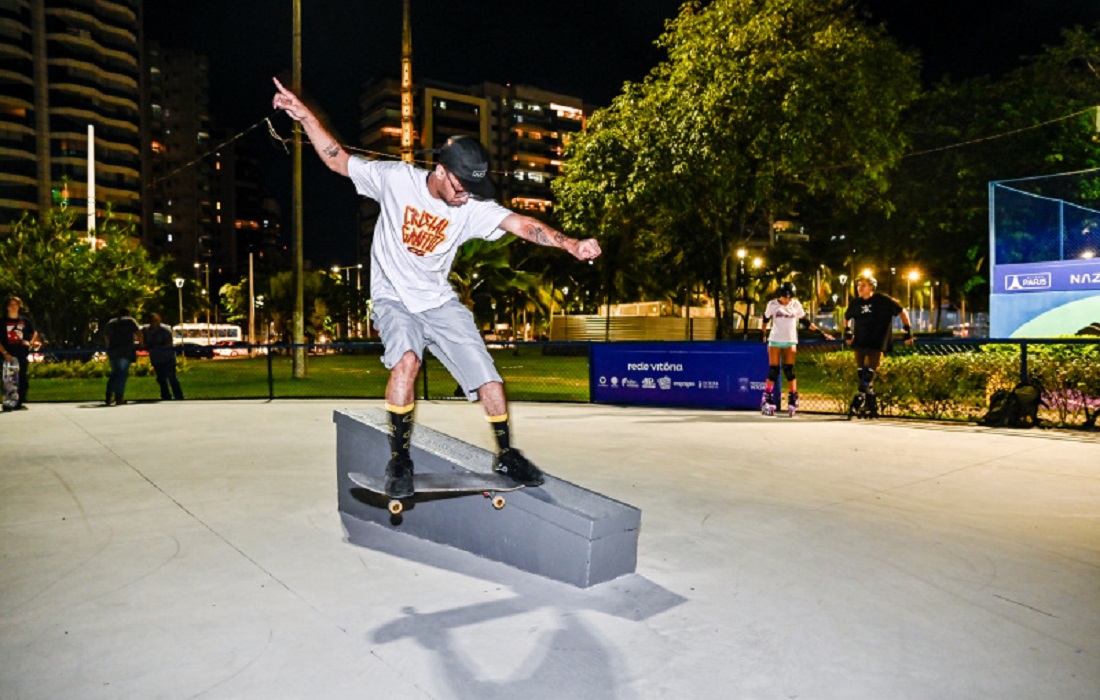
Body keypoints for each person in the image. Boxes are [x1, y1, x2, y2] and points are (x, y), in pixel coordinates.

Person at [272, 78, 602, 498]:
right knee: (407, 361)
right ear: (441, 172)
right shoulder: (396, 179)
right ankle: (399, 459)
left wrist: (569, 244)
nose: (466, 198)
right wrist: (304, 116)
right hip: (393, 299)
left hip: (439, 301)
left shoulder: (472, 206)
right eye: (461, 188)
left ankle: (506, 453)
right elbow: (339, 160)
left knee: (489, 377)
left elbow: (521, 224)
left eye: (473, 191)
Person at [842, 275, 913, 417]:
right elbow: (846, 317)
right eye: (858, 285)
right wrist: (848, 332)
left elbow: (902, 311)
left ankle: (859, 399)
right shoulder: (856, 303)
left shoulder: (883, 300)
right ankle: (871, 404)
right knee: (861, 373)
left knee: (869, 373)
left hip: (877, 341)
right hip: (861, 341)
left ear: (871, 287)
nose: (860, 288)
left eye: (863, 285)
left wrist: (908, 331)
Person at [759, 282, 833, 416]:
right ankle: (767, 399)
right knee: (774, 371)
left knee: (789, 370)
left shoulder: (795, 304)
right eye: (785, 297)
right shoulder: (772, 304)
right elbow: (765, 319)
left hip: (790, 340)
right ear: (780, 295)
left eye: (789, 297)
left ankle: (793, 398)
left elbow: (805, 322)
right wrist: (763, 334)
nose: (787, 300)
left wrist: (822, 333)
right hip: (775, 340)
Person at [2, 296, 40, 410]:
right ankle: (8, 403)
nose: (13, 307)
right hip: (8, 354)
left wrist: (30, 342)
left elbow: (34, 332)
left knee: (22, 379)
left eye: (16, 305)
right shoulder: (2, 321)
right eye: (11, 305)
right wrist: (5, 353)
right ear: (7, 307)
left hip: (22, 354)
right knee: (8, 380)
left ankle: (19, 402)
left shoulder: (24, 321)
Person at [104, 308, 142, 406]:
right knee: (122, 375)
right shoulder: (131, 321)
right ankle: (119, 397)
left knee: (114, 374)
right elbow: (138, 333)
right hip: (125, 351)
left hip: (113, 352)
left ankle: (108, 396)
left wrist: (109, 346)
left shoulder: (111, 322)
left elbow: (106, 336)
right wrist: (141, 344)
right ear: (128, 313)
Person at [144, 313, 183, 400]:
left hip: (168, 357)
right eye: (151, 321)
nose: (153, 323)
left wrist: (157, 346)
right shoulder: (146, 330)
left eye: (155, 320)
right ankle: (165, 396)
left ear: (158, 320)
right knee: (161, 378)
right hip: (156, 358)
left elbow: (169, 343)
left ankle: (178, 396)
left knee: (172, 377)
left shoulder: (165, 330)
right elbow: (144, 341)